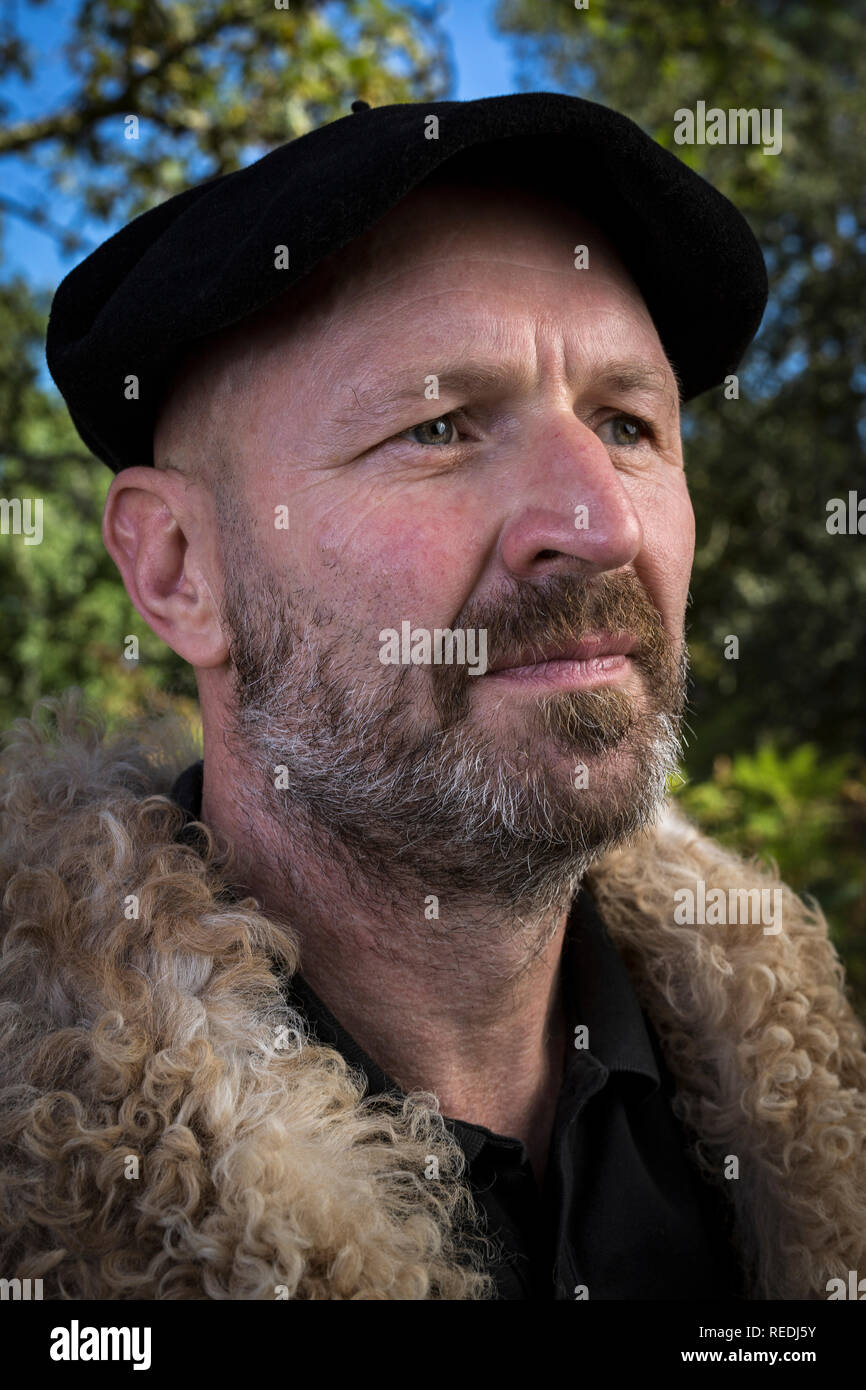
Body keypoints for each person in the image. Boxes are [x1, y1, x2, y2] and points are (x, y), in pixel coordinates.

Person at [2, 93, 864, 1301]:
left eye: (626, 424)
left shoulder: (810, 1135)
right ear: (178, 571)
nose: (599, 522)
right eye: (440, 426)